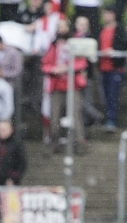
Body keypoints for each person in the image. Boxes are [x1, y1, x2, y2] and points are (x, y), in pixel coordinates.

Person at [41, 18, 87, 150]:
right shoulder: (52, 45)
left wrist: (67, 68)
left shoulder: (76, 43)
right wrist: (53, 69)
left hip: (73, 85)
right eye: (59, 26)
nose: (61, 29)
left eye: (64, 26)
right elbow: (45, 64)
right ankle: (55, 141)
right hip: (56, 85)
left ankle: (79, 142)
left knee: (75, 115)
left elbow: (82, 62)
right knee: (54, 116)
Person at [98, 6, 127, 131]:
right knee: (105, 95)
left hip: (115, 68)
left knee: (112, 95)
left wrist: (114, 51)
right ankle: (107, 118)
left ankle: (111, 119)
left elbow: (124, 45)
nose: (106, 16)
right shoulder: (100, 30)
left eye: (108, 13)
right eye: (104, 14)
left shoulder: (120, 30)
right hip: (102, 67)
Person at [0, 120, 26, 185]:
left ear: (11, 130)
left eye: (4, 130)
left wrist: (13, 179)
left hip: (9, 184)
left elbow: (21, 164)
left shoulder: (16, 145)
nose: (1, 132)